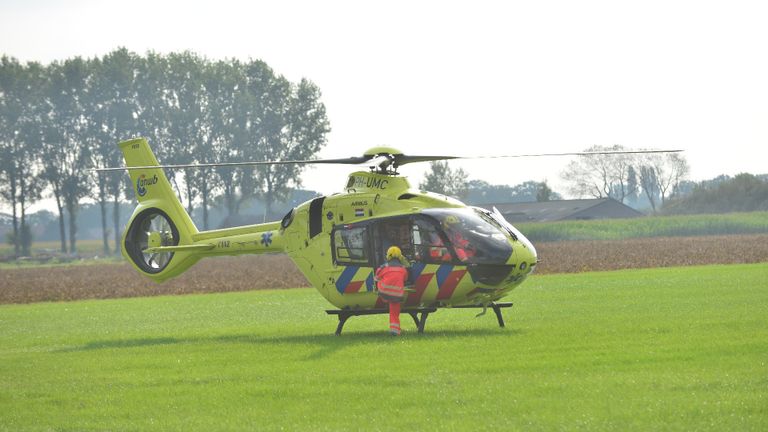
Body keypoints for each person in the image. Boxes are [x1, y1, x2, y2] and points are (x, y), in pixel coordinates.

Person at [375, 246, 409, 336]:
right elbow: (405, 279)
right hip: (397, 295)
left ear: (388, 256)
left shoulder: (384, 267)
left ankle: (385, 300)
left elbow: (377, 276)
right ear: (399, 256)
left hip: (384, 293)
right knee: (394, 313)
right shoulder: (403, 269)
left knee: (378, 280)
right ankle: (395, 330)